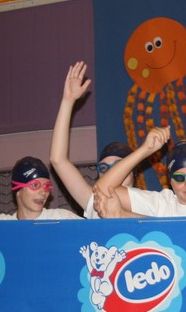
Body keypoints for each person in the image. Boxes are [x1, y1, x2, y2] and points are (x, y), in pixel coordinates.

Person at [49, 61, 139, 218]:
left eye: (118, 166)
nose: (111, 172)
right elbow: (58, 160)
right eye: (104, 168)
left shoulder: (153, 204)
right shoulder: (95, 206)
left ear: (132, 171)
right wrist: (68, 101)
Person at [0, 112, 81, 220]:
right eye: (35, 185)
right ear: (18, 190)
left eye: (47, 187)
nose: (43, 193)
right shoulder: (5, 226)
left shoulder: (61, 218)